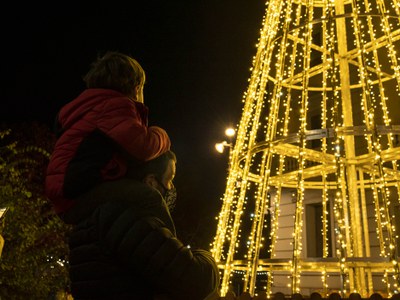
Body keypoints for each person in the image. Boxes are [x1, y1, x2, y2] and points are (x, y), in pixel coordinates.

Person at [67, 150, 220, 300]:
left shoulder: (99, 210)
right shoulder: (131, 218)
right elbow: (197, 281)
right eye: (169, 178)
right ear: (151, 181)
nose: (171, 187)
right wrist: (204, 256)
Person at [45, 51, 171, 218]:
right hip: (75, 194)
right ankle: (169, 245)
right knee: (149, 197)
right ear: (137, 87)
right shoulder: (113, 106)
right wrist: (162, 135)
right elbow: (143, 146)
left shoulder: (90, 107)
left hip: (67, 194)